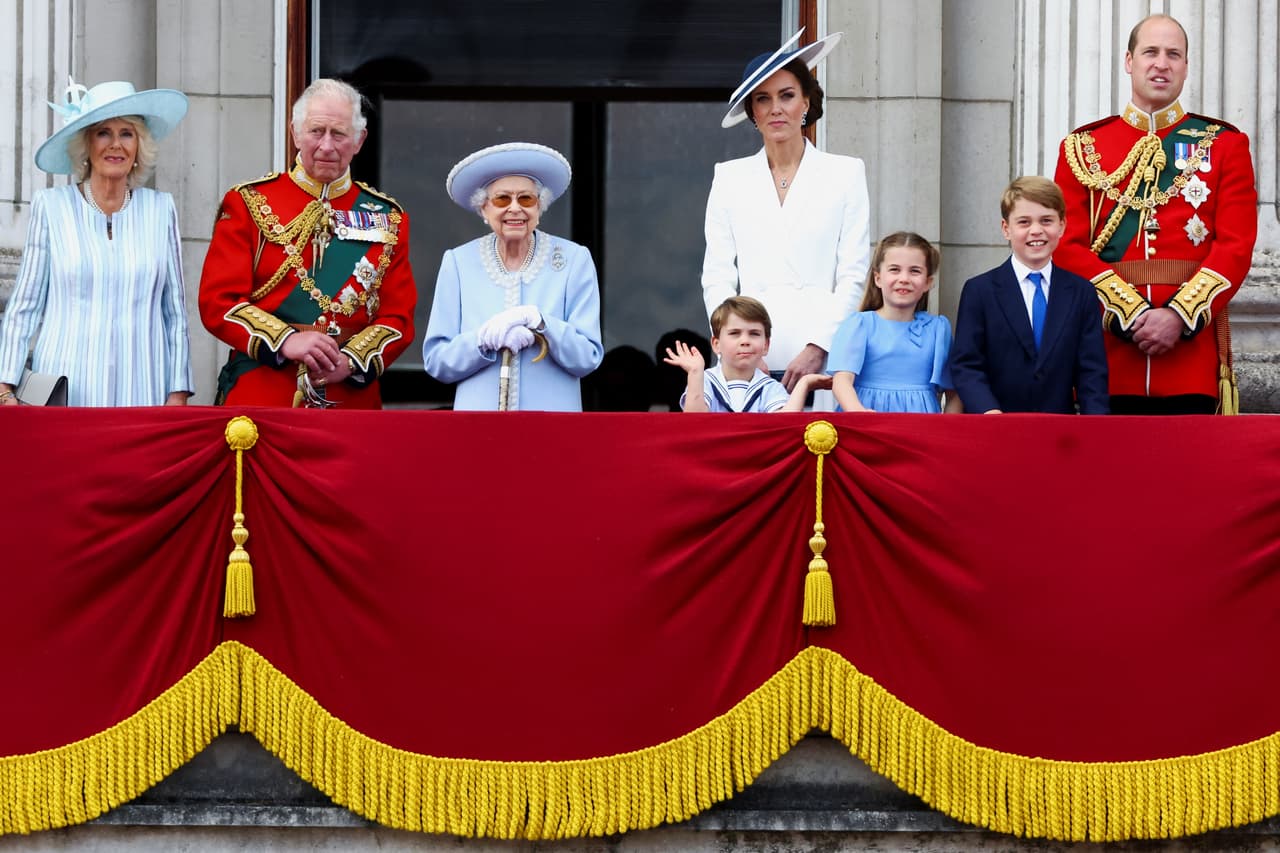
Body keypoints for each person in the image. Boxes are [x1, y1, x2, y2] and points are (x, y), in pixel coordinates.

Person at [1052, 14, 1258, 414]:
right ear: (1129, 61)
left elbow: (1235, 246)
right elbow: (1067, 245)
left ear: (1185, 67)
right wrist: (1128, 314)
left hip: (1190, 360)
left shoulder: (1225, 145)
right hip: (1107, 357)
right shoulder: (1082, 147)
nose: (1161, 63)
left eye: (1173, 55)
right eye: (1151, 52)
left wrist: (1179, 317)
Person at [198, 78, 416, 408]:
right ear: (295, 132)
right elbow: (218, 302)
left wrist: (353, 361)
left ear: (359, 140)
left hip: (350, 399)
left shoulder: (389, 218)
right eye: (316, 131)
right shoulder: (249, 202)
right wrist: (286, 341)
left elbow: (398, 318)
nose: (327, 146)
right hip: (264, 391)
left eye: (339, 134)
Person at [701, 28, 871, 399]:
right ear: (752, 112)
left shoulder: (845, 173)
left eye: (787, 95)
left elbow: (854, 274)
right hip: (747, 357)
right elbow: (717, 275)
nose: (776, 108)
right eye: (763, 99)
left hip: (823, 353)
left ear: (807, 102)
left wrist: (820, 345)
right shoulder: (728, 177)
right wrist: (740, 347)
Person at [0, 79, 192, 407]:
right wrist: (5, 386)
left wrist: (177, 393)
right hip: (66, 392)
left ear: (138, 147)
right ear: (86, 144)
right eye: (104, 132)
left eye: (126, 133)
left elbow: (174, 312)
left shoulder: (161, 210)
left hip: (143, 391)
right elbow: (25, 306)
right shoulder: (52, 207)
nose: (115, 144)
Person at [422, 142, 603, 411]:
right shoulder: (458, 262)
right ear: (483, 208)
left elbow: (588, 357)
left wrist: (543, 324)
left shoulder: (574, 260)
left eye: (526, 199)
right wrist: (481, 340)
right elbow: (437, 361)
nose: (515, 209)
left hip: (553, 426)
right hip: (479, 426)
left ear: (540, 206)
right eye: (502, 199)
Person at [949, 177, 1109, 415]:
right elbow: (967, 364)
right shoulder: (980, 291)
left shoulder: (1081, 292)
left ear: (1062, 226)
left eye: (1047, 221)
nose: (1036, 230)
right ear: (1006, 229)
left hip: (1060, 432)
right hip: (996, 427)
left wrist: (1095, 428)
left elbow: (1091, 371)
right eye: (1024, 222)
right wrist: (988, 411)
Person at [828, 232, 960, 414]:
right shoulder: (859, 325)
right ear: (878, 278)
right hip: (866, 422)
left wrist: (945, 432)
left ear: (928, 282)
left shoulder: (938, 330)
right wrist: (858, 413)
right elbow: (842, 381)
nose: (904, 278)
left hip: (921, 428)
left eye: (914, 271)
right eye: (894, 269)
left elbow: (953, 392)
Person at [664, 296, 828, 413]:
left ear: (766, 346)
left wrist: (804, 384)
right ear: (716, 344)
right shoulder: (705, 381)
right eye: (735, 333)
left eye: (754, 334)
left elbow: (784, 424)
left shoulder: (769, 388)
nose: (745, 341)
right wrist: (694, 373)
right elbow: (694, 420)